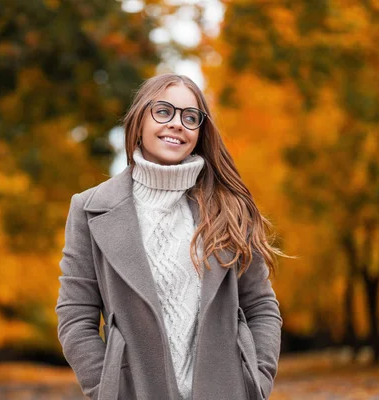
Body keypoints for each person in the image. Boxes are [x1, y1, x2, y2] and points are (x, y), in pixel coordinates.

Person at [56, 73, 283, 400]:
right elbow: (75, 316)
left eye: (190, 117)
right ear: (139, 121)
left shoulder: (229, 209)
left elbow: (261, 306)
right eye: (163, 111)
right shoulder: (90, 209)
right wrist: (110, 389)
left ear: (200, 132)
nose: (177, 124)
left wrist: (255, 381)